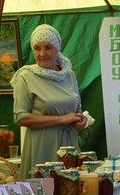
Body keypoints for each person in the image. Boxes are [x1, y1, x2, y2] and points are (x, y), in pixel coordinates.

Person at [8, 23, 87, 177]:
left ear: (58, 49)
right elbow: (20, 117)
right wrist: (60, 119)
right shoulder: (26, 76)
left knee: (69, 192)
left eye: (48, 47)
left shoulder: (69, 75)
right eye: (37, 48)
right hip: (42, 147)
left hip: (69, 147)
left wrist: (80, 121)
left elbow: (77, 111)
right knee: (44, 194)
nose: (42, 53)